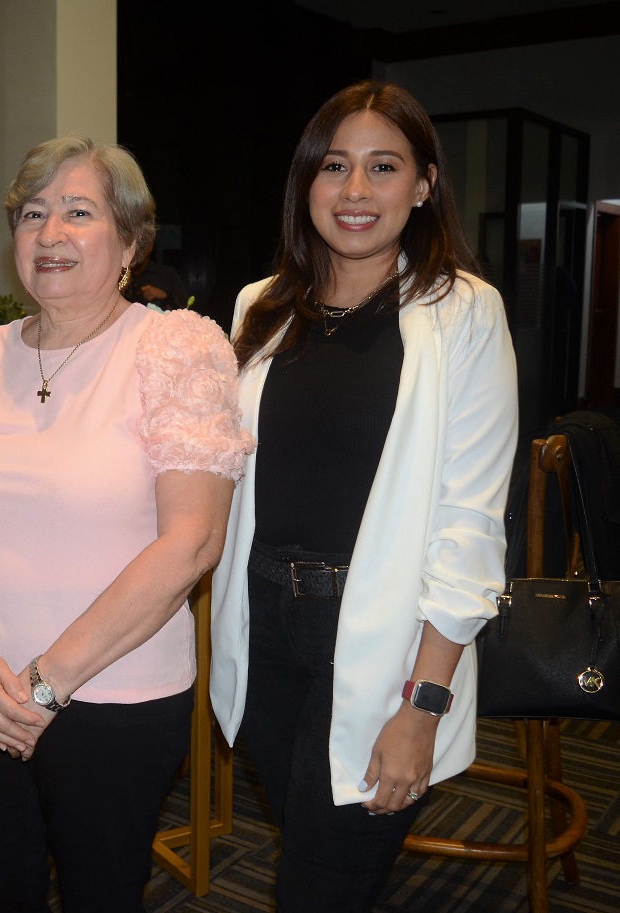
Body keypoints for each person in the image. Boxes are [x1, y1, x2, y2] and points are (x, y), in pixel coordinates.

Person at [0, 134, 254, 913]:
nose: (50, 234)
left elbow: (191, 540)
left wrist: (44, 684)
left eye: (78, 212)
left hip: (114, 699)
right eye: (32, 214)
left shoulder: (174, 347)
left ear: (130, 241)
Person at [209, 80, 519, 911]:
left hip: (384, 640)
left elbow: (469, 523)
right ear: (304, 182)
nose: (353, 191)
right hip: (263, 621)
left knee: (323, 885)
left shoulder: (464, 313)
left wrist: (422, 704)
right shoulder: (260, 307)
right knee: (302, 845)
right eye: (333, 166)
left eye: (381, 167)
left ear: (422, 185)